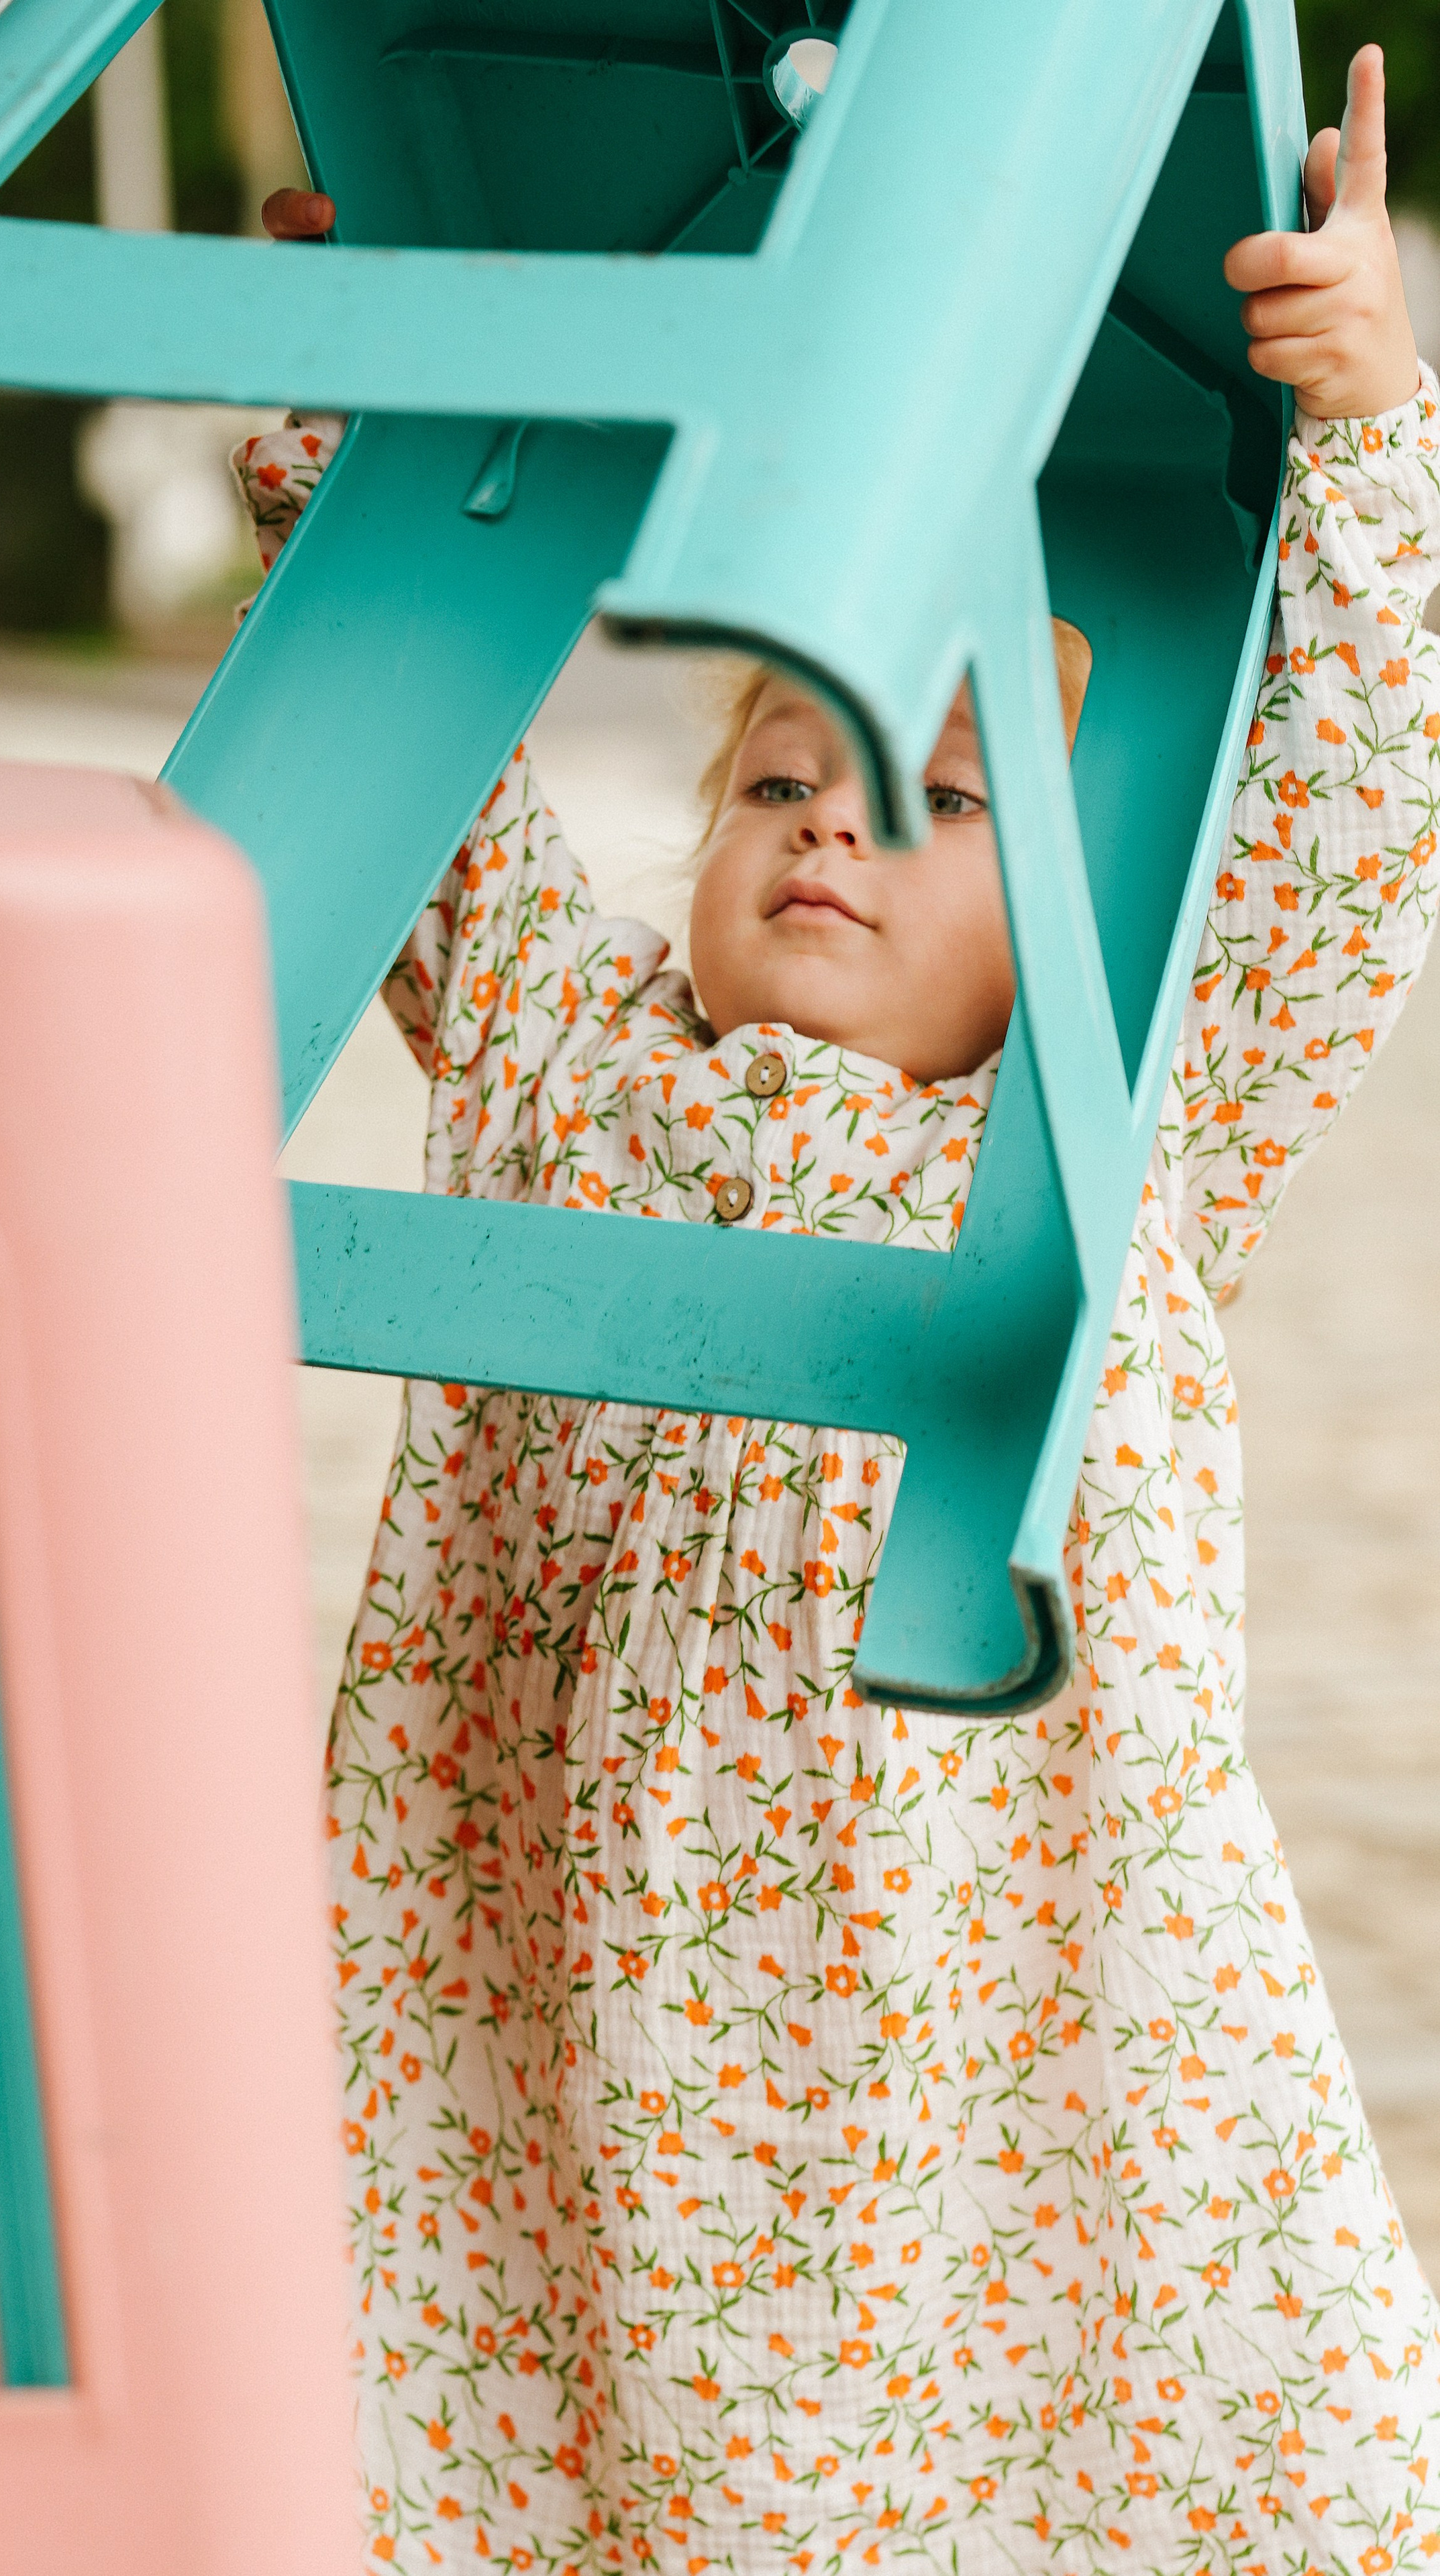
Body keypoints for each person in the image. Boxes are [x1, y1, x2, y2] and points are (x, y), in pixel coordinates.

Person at [238, 48, 1440, 2573]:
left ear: (1075, 913)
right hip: (563, 1961)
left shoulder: (1108, 1137)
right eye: (787, 775)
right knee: (545, 2431)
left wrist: (1374, 428)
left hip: (967, 2003)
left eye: (944, 798)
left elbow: (1344, 812)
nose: (835, 825)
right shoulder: (577, 1070)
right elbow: (421, 785)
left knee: (999, 2452)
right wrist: (355, 418)